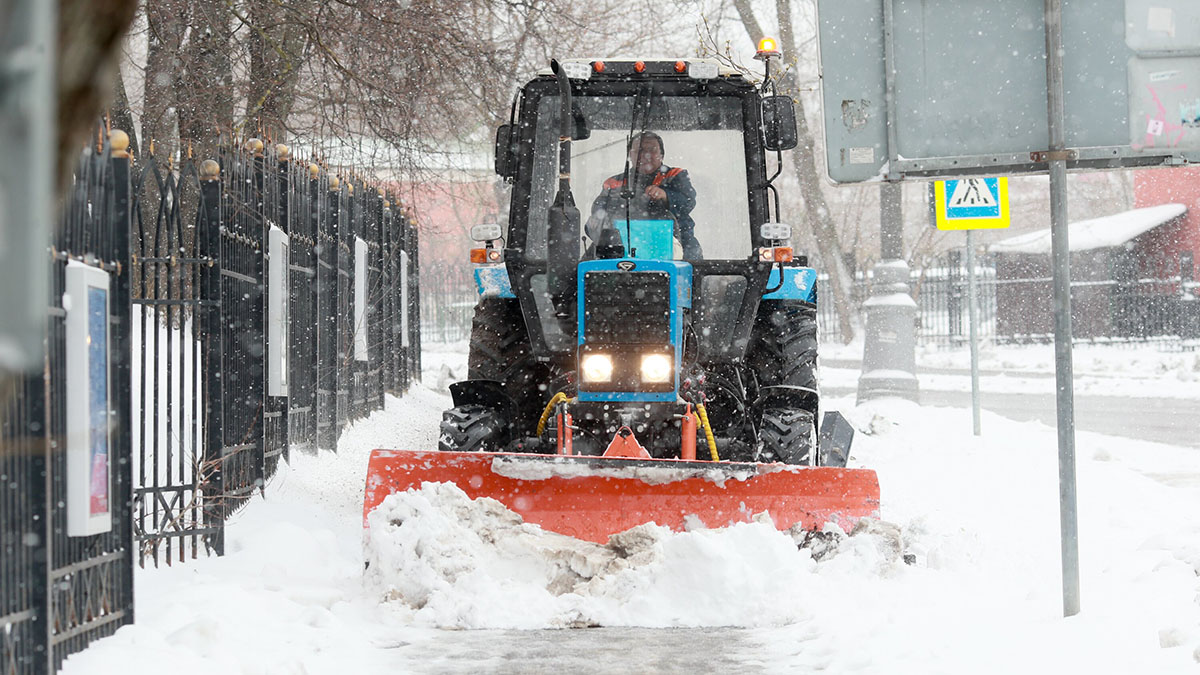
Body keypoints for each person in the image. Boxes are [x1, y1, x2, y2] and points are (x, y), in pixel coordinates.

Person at [584, 131, 703, 260]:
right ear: (630, 155)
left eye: (652, 150)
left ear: (661, 155)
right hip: (624, 243)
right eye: (639, 151)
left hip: (673, 241)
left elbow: (688, 202)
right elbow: (599, 208)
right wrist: (598, 219)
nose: (646, 155)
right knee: (585, 266)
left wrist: (665, 195)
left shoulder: (675, 175)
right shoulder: (614, 182)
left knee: (693, 262)